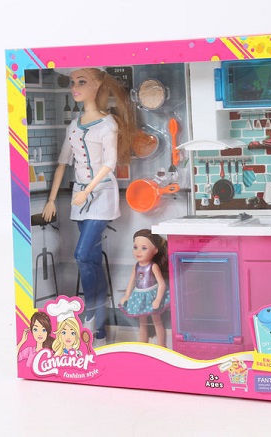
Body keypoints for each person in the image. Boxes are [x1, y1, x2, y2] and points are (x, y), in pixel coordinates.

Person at [42, 68, 135, 348]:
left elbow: (109, 164)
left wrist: (87, 190)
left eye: (82, 82)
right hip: (79, 199)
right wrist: (51, 199)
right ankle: (100, 327)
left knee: (82, 255)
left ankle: (91, 316)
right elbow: (63, 163)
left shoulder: (107, 125)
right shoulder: (73, 125)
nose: (75, 87)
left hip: (101, 194)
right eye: (73, 82)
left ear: (97, 86)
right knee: (91, 260)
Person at [119, 229, 170, 347]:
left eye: (144, 248)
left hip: (151, 295)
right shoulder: (136, 266)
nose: (138, 251)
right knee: (142, 322)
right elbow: (132, 281)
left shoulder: (153, 266)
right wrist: (127, 295)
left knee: (157, 321)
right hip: (139, 296)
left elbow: (162, 284)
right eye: (135, 247)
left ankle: (161, 345)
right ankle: (143, 344)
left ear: (155, 250)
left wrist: (158, 299)